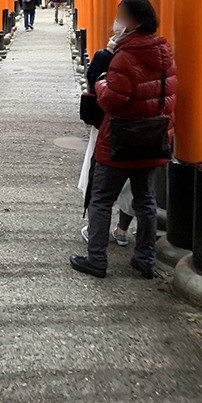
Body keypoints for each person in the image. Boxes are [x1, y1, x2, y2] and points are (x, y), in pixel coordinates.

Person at [70, 0, 177, 279]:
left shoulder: (125, 56)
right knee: (146, 200)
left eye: (121, 16)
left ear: (136, 22)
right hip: (153, 138)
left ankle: (96, 260)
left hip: (120, 139)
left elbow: (111, 101)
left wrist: (102, 82)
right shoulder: (165, 55)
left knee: (101, 198)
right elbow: (168, 97)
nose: (116, 22)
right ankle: (145, 260)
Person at [79, 34, 135, 246]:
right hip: (143, 128)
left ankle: (95, 235)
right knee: (135, 185)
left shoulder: (107, 56)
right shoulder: (156, 55)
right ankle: (122, 231)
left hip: (108, 125)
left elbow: (97, 90)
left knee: (99, 182)